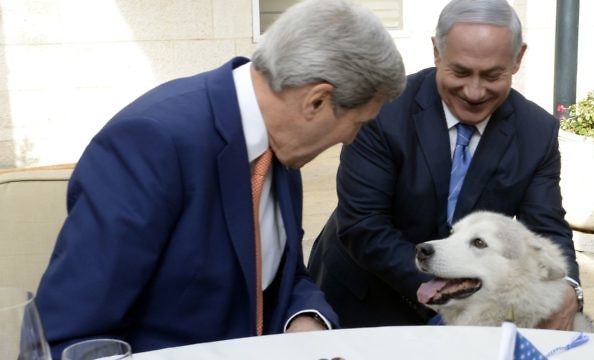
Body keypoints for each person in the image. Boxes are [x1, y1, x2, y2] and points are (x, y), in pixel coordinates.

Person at [35, 0, 406, 358]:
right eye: (357, 123)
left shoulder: (279, 145)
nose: (351, 139)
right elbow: (71, 334)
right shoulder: (153, 142)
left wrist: (305, 318)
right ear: (316, 101)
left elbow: (278, 274)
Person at [308, 0, 583, 330]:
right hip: (364, 303)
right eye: (461, 72)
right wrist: (446, 294)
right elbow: (364, 225)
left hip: (468, 311)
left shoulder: (536, 132)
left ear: (517, 59)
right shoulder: (382, 111)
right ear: (437, 52)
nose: (475, 91)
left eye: (493, 75)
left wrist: (567, 287)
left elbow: (545, 228)